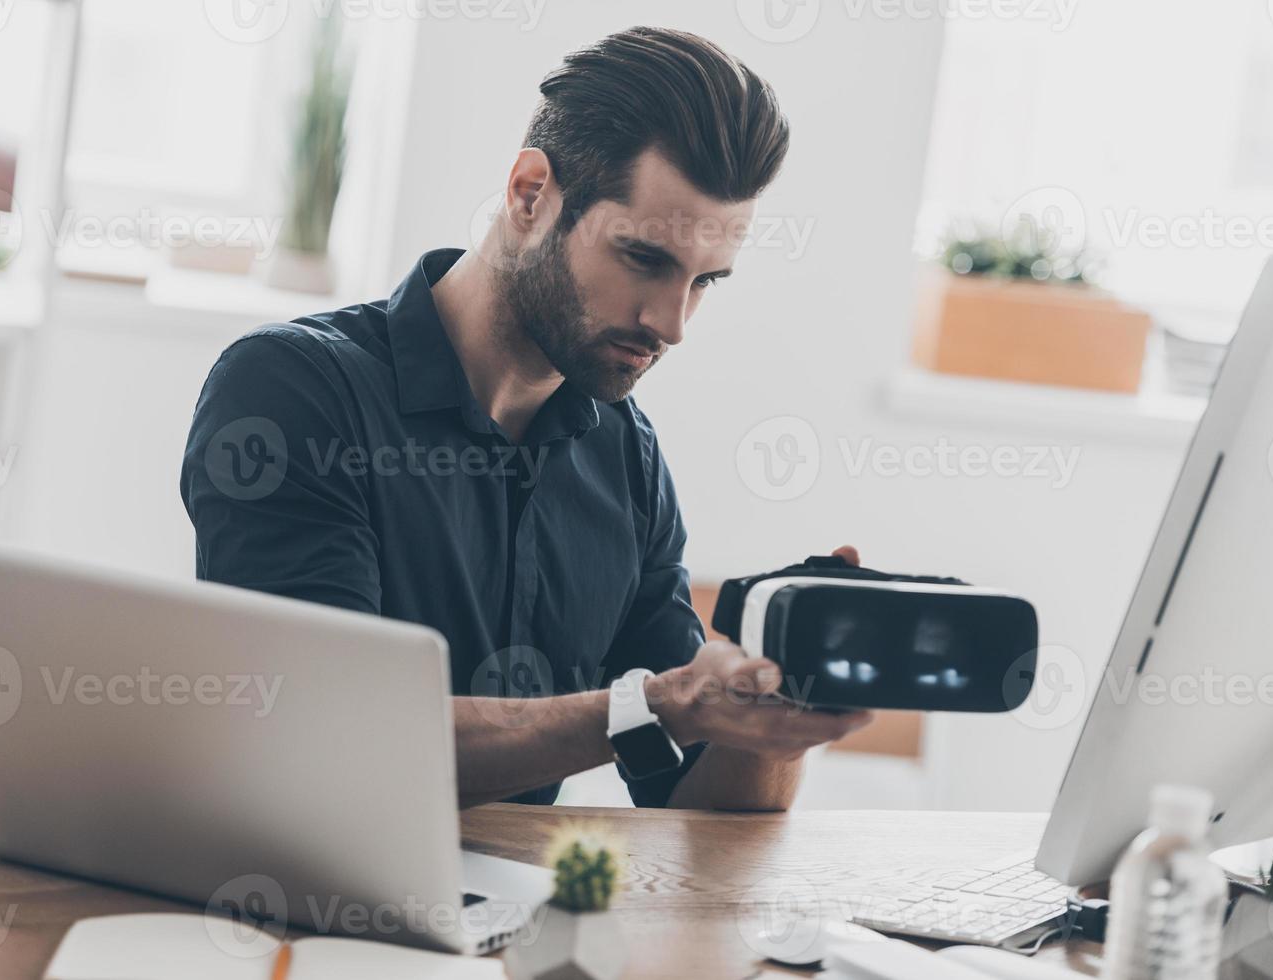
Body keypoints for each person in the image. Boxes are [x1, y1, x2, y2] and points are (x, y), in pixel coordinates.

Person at [181, 26, 872, 811]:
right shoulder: (293, 389)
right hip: (300, 910)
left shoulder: (626, 459)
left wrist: (779, 699)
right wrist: (652, 706)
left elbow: (697, 807)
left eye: (705, 280)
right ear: (529, 195)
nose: (672, 322)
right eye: (643, 259)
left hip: (515, 923)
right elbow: (331, 737)